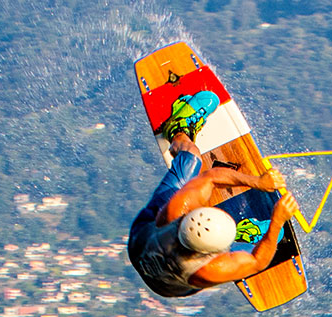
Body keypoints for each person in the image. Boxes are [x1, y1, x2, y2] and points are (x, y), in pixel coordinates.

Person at [128, 91, 300, 298]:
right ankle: (241, 231)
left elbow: (211, 177)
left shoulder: (174, 210)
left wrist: (259, 182)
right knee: (273, 238)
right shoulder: (208, 270)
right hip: (170, 284)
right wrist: (277, 220)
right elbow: (257, 262)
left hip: (141, 238)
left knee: (191, 157)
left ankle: (177, 130)